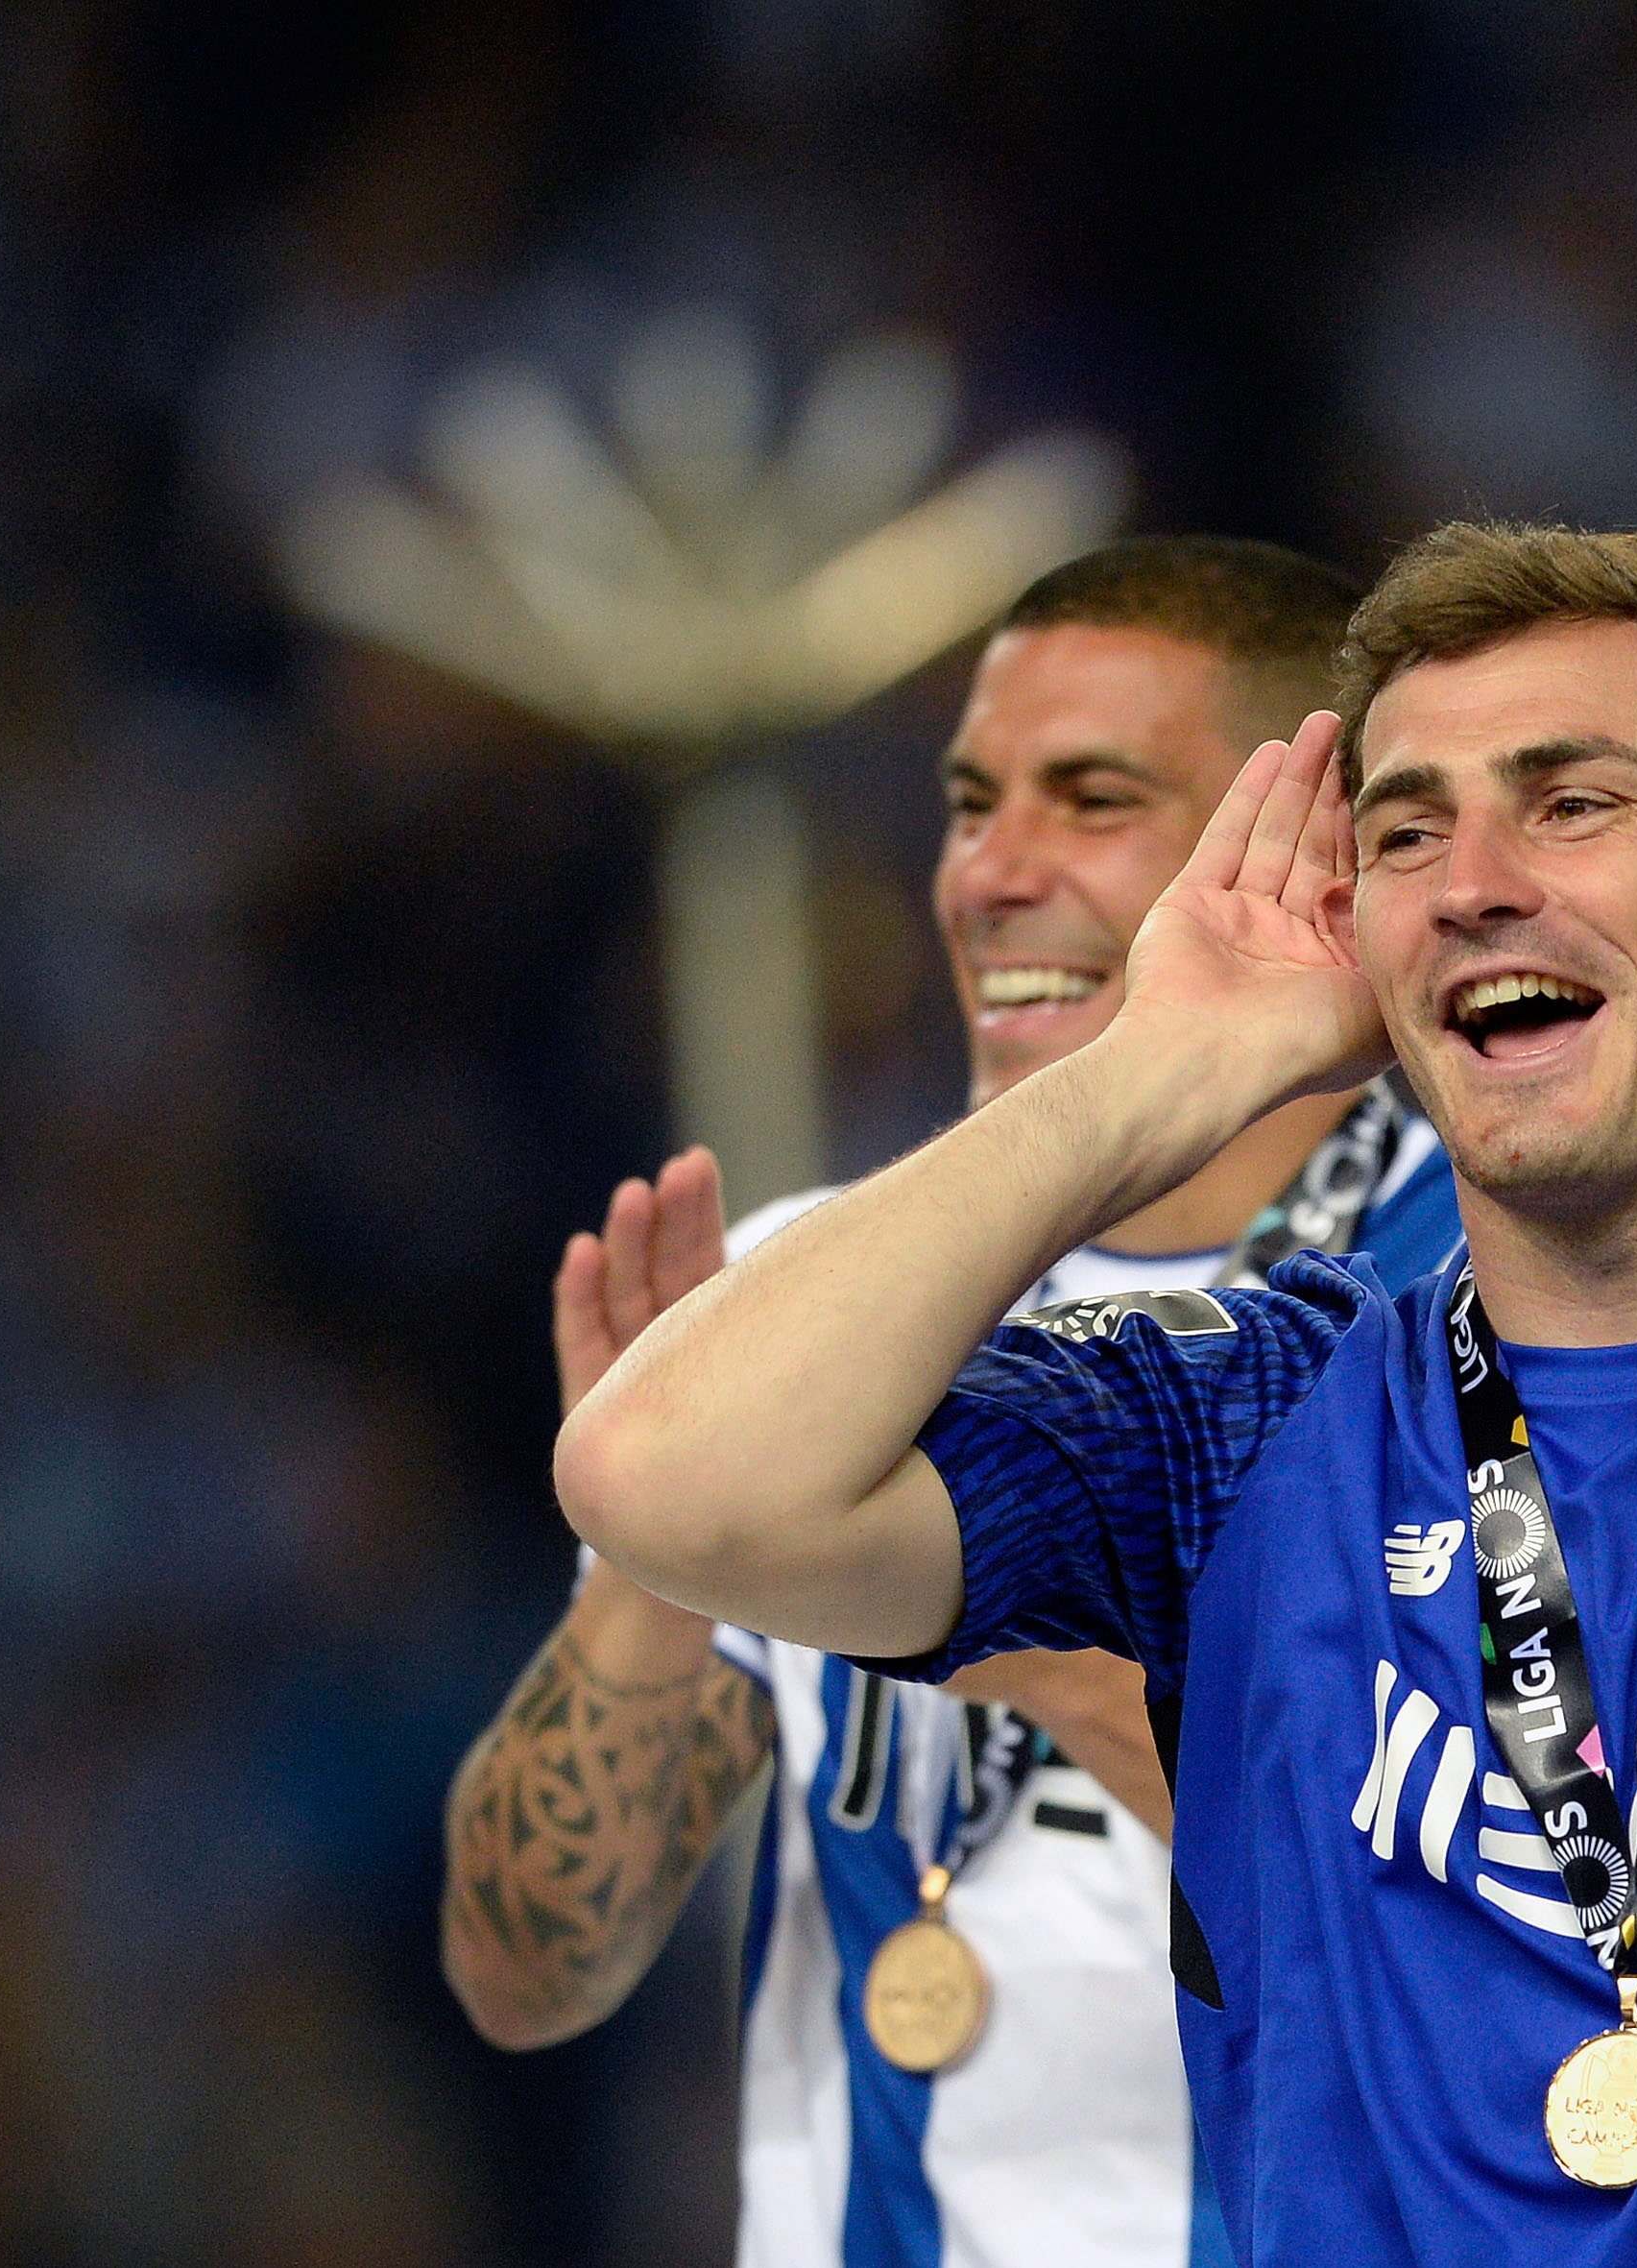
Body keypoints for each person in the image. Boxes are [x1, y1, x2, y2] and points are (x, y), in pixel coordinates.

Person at [555, 521, 1637, 2263]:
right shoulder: (1247, 1417)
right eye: (1407, 830)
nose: (1477, 877)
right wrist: (1161, 1073)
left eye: (1572, 802)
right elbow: (666, 1472)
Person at [442, 536, 1461, 2268]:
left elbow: (1527, 1951)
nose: (987, 872)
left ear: (1306, 851)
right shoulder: (811, 1304)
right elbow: (528, 1966)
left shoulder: (1485, 1295)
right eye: (969, 799)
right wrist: (662, 1549)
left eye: (1089, 797)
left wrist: (1008, 1616)